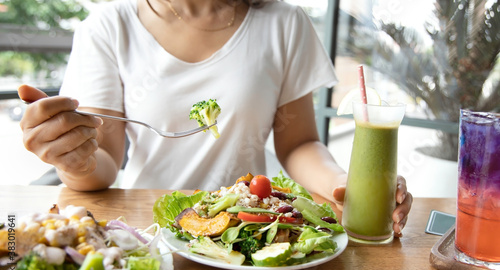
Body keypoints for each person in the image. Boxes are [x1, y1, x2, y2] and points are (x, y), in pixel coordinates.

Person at [18, 0, 412, 236]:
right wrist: (75, 158)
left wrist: (344, 183)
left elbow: (298, 144)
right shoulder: (109, 25)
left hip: (248, 228)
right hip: (146, 232)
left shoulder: (284, 23)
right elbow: (101, 159)